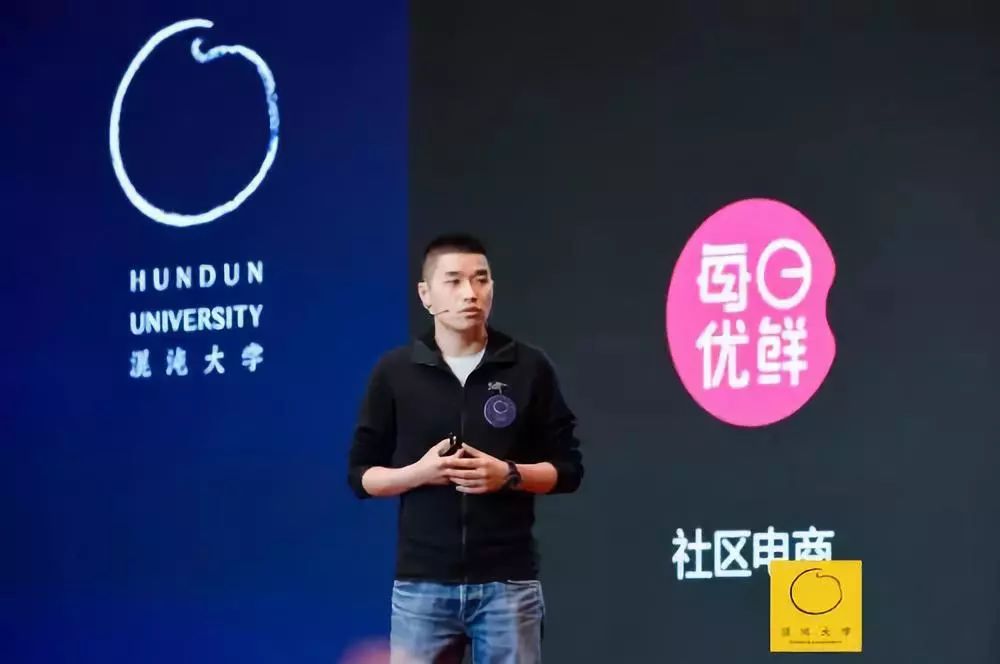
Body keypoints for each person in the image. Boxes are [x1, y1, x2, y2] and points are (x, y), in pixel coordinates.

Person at [347, 233, 584, 664]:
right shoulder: (395, 372)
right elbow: (361, 476)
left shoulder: (529, 367)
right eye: (454, 281)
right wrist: (420, 473)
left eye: (481, 279)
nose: (470, 293)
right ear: (426, 294)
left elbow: (568, 469)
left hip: (508, 584)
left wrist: (509, 474)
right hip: (422, 585)